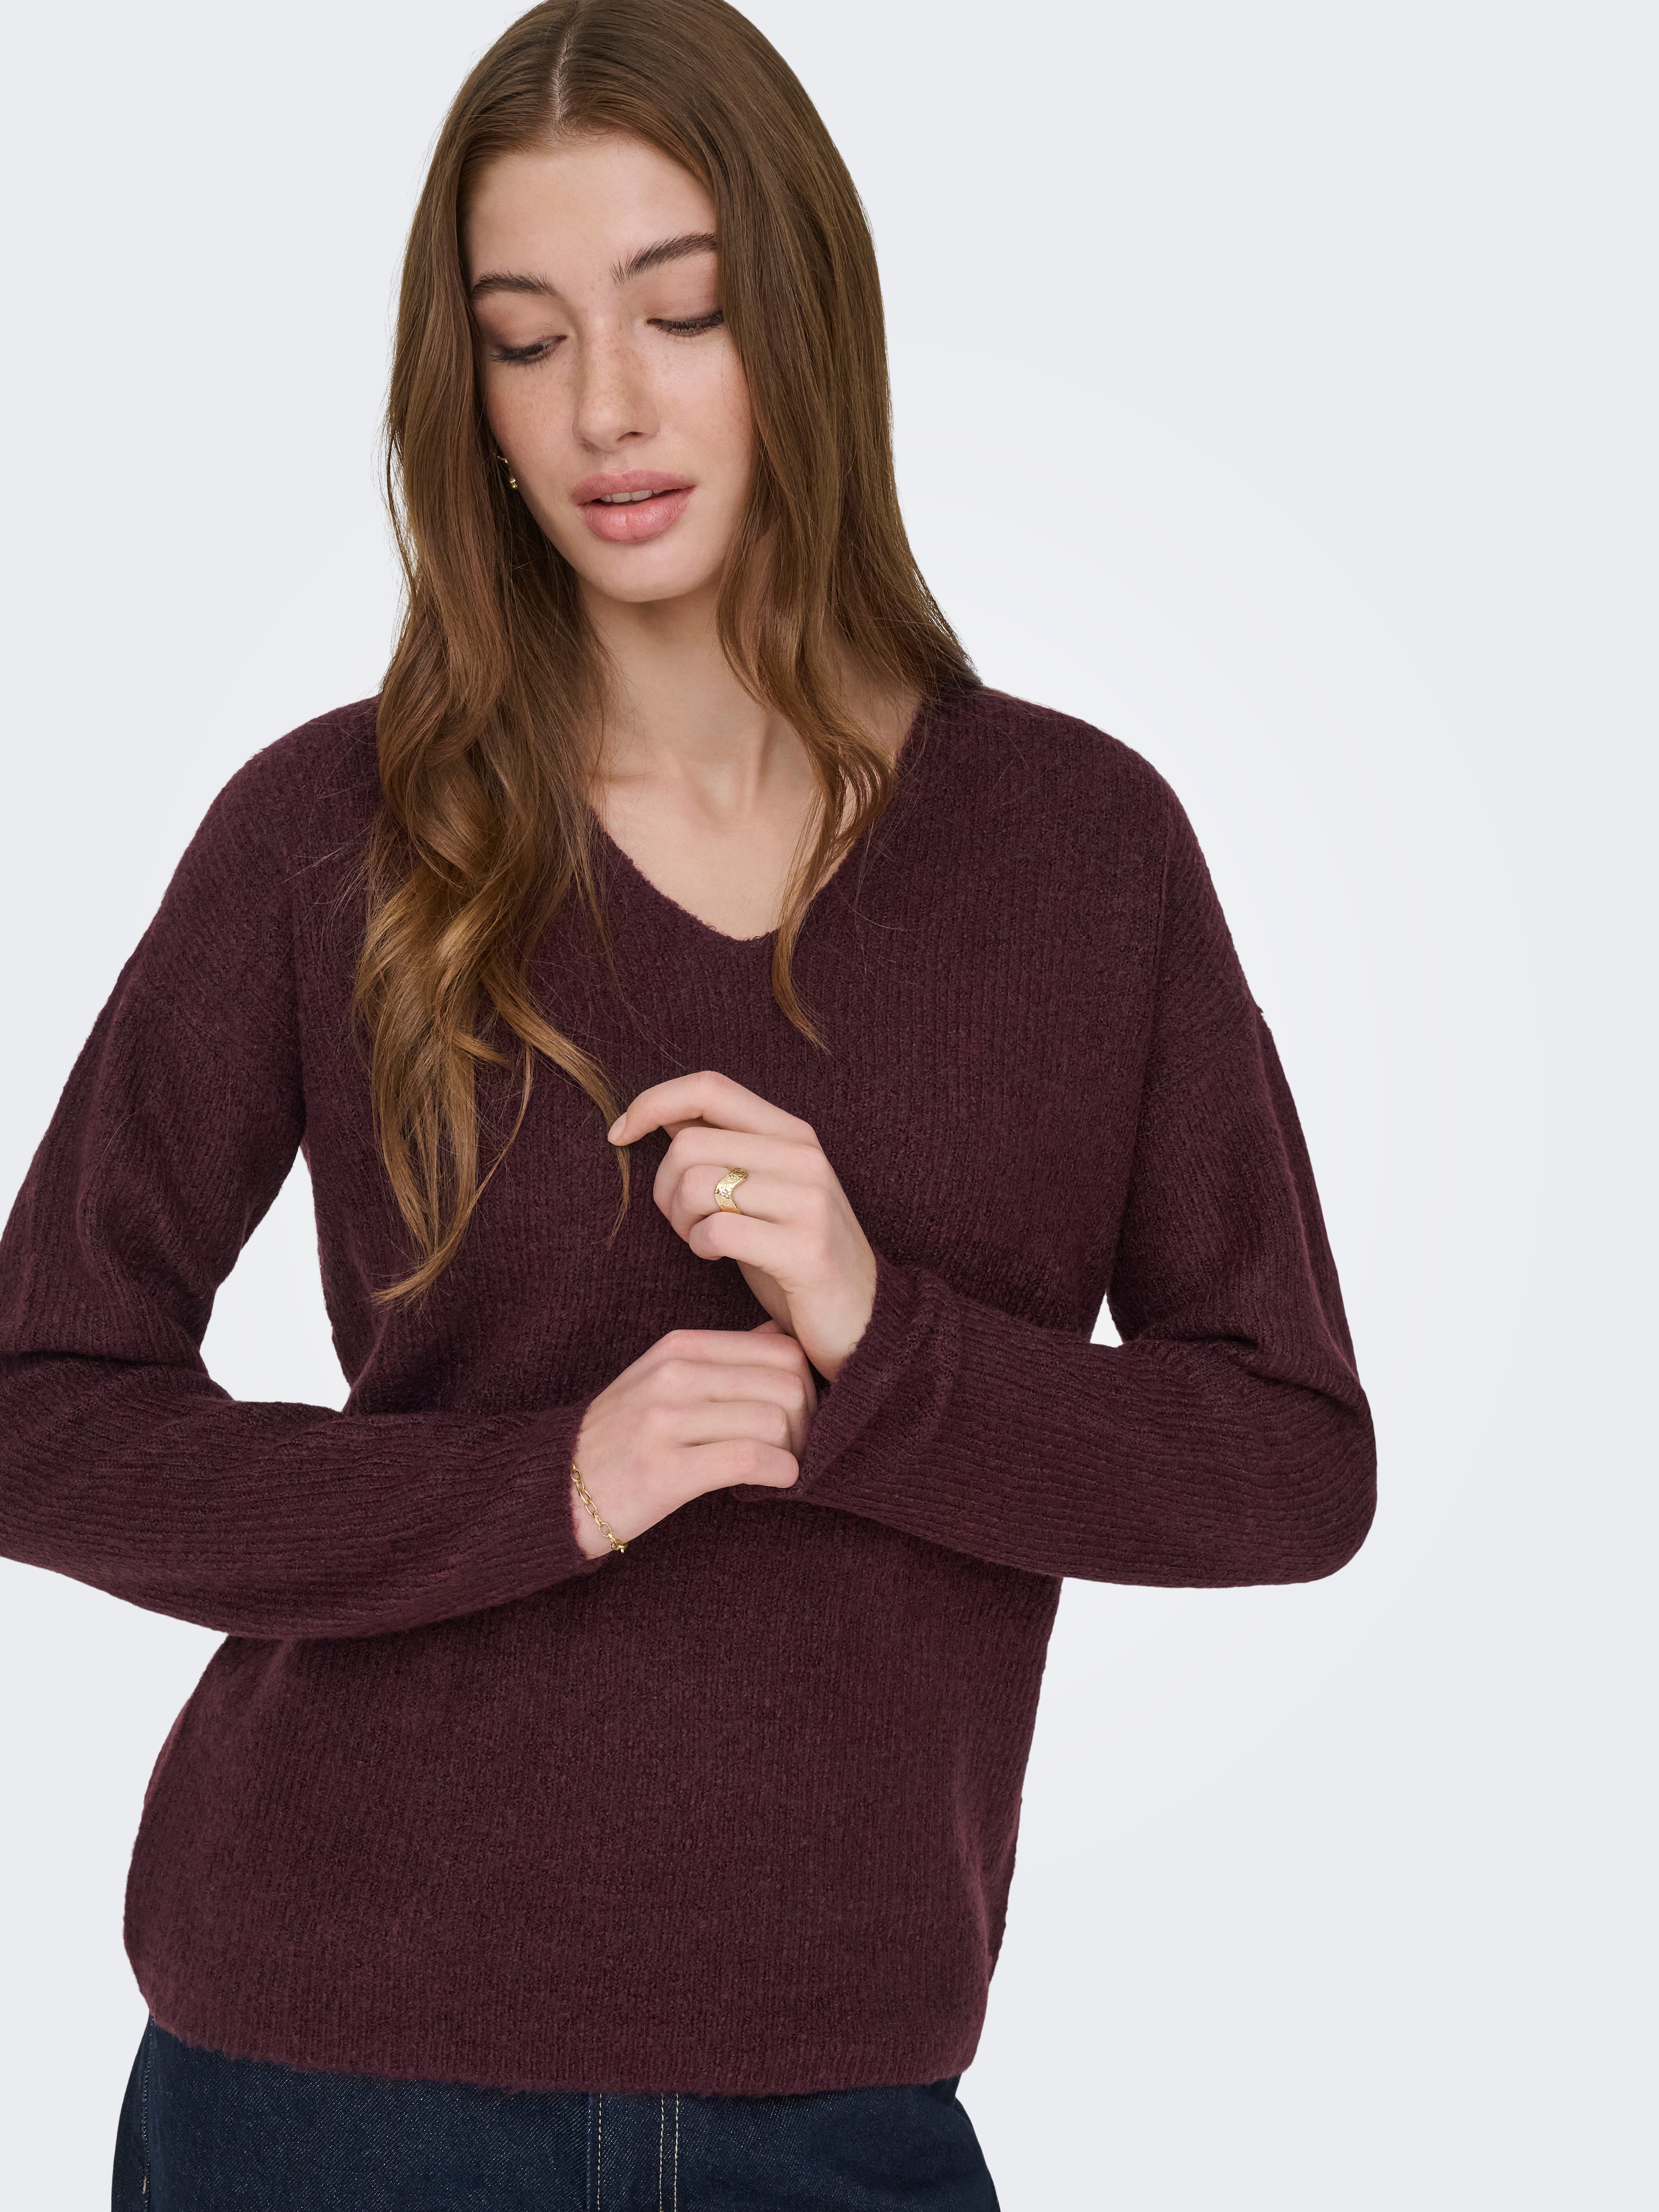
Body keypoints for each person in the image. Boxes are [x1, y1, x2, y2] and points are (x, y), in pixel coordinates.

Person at [0, 0, 1377, 2203]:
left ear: (804, 324)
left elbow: (1291, 1465)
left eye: (682, 310)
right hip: (325, 2078)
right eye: (525, 339)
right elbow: (39, 1406)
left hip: (842, 2096)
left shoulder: (1079, 849)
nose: (606, 410)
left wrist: (881, 1339)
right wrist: (549, 1480)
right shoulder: (327, 835)